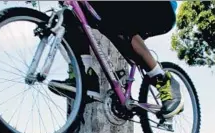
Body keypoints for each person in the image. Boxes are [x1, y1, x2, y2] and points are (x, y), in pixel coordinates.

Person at [48, 1, 183, 119]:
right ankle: (86, 78)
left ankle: (164, 81)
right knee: (69, 16)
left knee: (118, 19)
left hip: (160, 8)